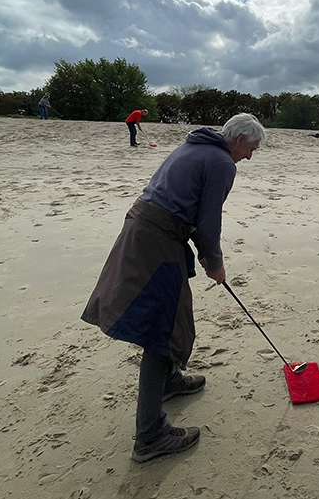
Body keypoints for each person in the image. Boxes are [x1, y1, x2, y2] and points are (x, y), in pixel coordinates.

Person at [81, 113, 265, 462]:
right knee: (162, 331)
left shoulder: (195, 144)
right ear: (239, 139)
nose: (250, 156)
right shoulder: (222, 163)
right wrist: (215, 261)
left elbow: (192, 214)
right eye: (251, 148)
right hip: (155, 239)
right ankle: (150, 437)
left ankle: (169, 382)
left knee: (171, 318)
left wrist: (208, 258)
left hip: (144, 228)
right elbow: (208, 222)